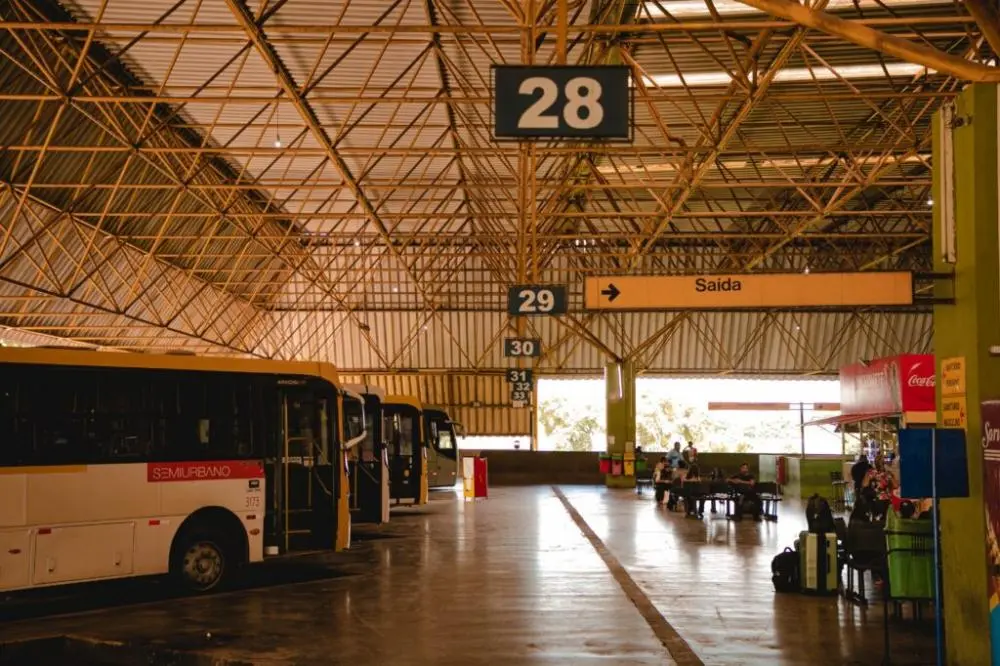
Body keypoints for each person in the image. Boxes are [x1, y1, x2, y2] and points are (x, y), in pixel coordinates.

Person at [863, 453, 897, 521]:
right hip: (885, 500)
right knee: (885, 518)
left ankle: (877, 528)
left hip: (876, 499)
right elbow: (895, 485)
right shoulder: (887, 473)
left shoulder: (871, 473)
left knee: (877, 519)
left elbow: (864, 484)